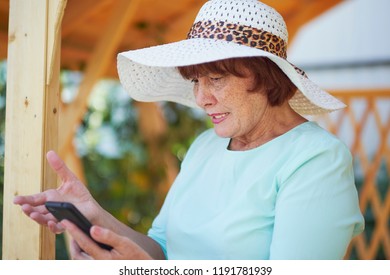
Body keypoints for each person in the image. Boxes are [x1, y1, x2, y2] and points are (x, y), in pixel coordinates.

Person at [14, 0, 364, 260]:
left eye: (216, 78)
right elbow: (162, 249)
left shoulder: (317, 159)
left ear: (267, 77)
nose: (201, 97)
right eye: (196, 80)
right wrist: (94, 214)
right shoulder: (204, 146)